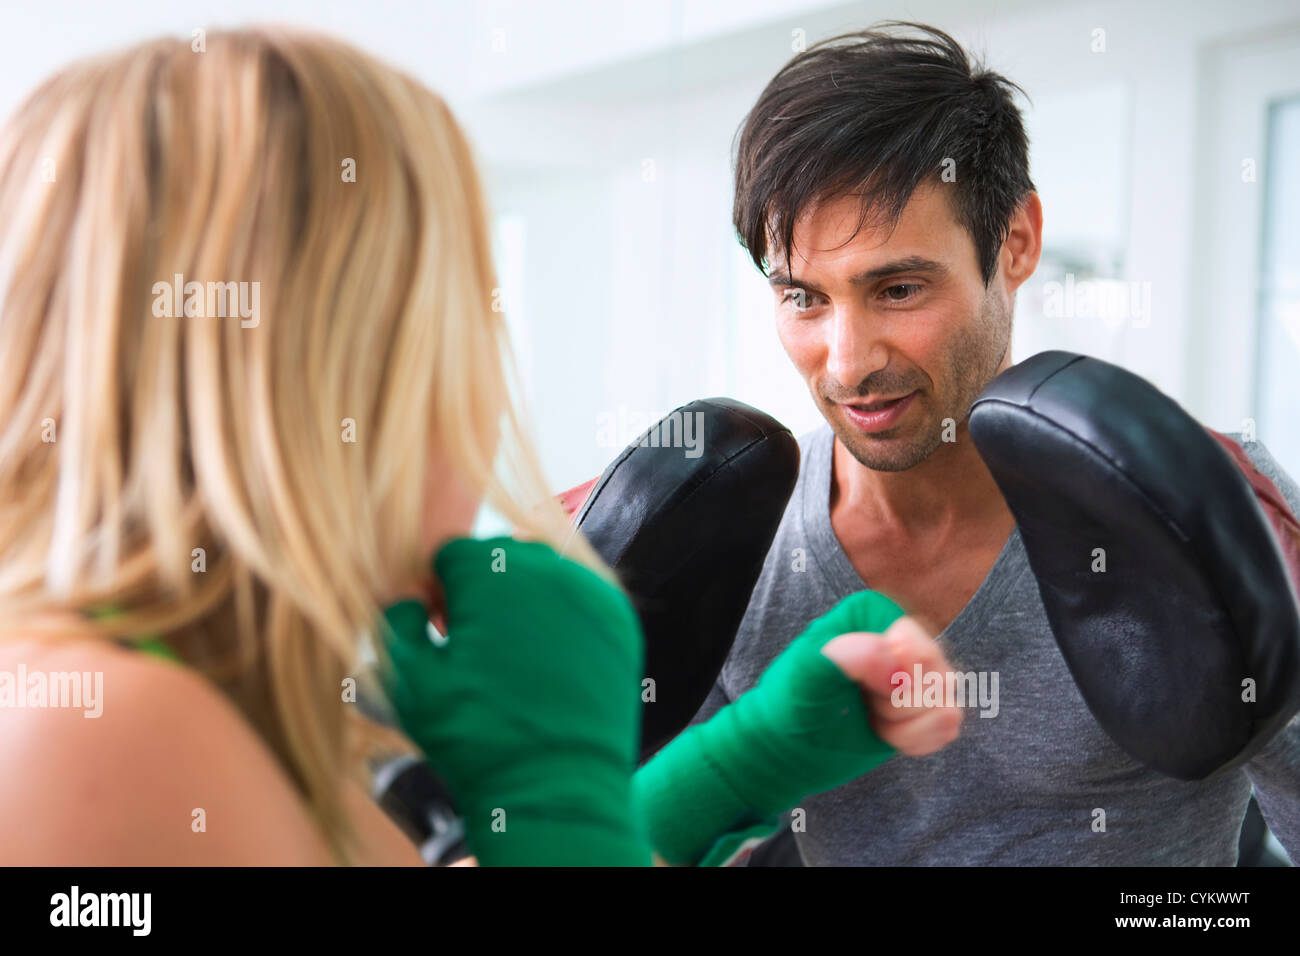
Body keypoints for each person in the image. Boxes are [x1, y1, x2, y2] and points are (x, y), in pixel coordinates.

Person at [0, 27, 960, 866]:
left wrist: (747, 757)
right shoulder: (108, 733)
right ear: (329, 375)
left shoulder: (238, 705)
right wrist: (549, 795)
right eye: (452, 329)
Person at [698, 20, 1300, 865]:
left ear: (1015, 241)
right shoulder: (735, 541)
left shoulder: (1193, 498)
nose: (848, 361)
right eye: (802, 297)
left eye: (898, 287)